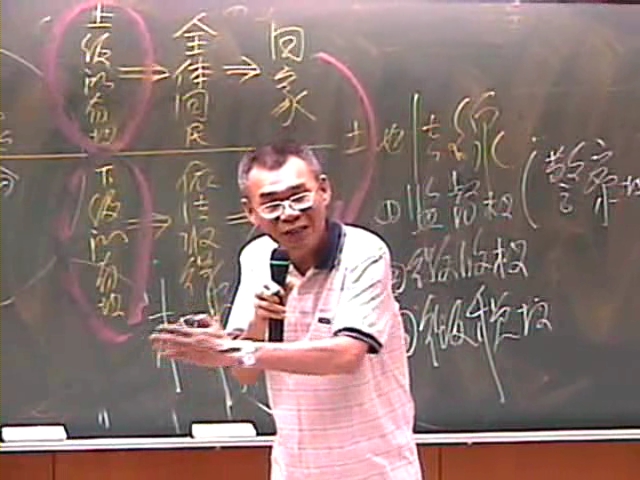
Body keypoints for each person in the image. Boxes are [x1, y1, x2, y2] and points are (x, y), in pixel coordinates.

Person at [151, 140, 423, 480]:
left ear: (323, 190)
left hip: (374, 470)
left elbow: (346, 356)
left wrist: (234, 350)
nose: (290, 213)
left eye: (299, 197)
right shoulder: (257, 257)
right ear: (250, 212)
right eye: (271, 204)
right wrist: (256, 324)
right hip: (295, 469)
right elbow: (245, 373)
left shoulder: (364, 253)